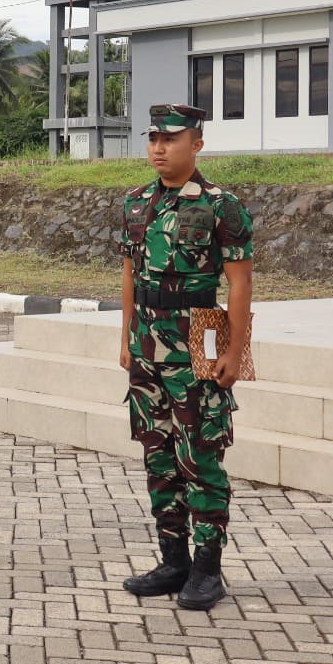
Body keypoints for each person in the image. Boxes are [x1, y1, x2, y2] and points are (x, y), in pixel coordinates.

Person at [120, 103, 254, 611]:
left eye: (170, 139)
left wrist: (235, 352)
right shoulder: (136, 203)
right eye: (153, 138)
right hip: (147, 345)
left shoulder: (223, 205)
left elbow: (239, 284)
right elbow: (130, 275)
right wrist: (126, 339)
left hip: (197, 337)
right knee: (157, 453)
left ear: (196, 144)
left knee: (200, 455)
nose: (158, 148)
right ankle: (172, 561)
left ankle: (208, 570)